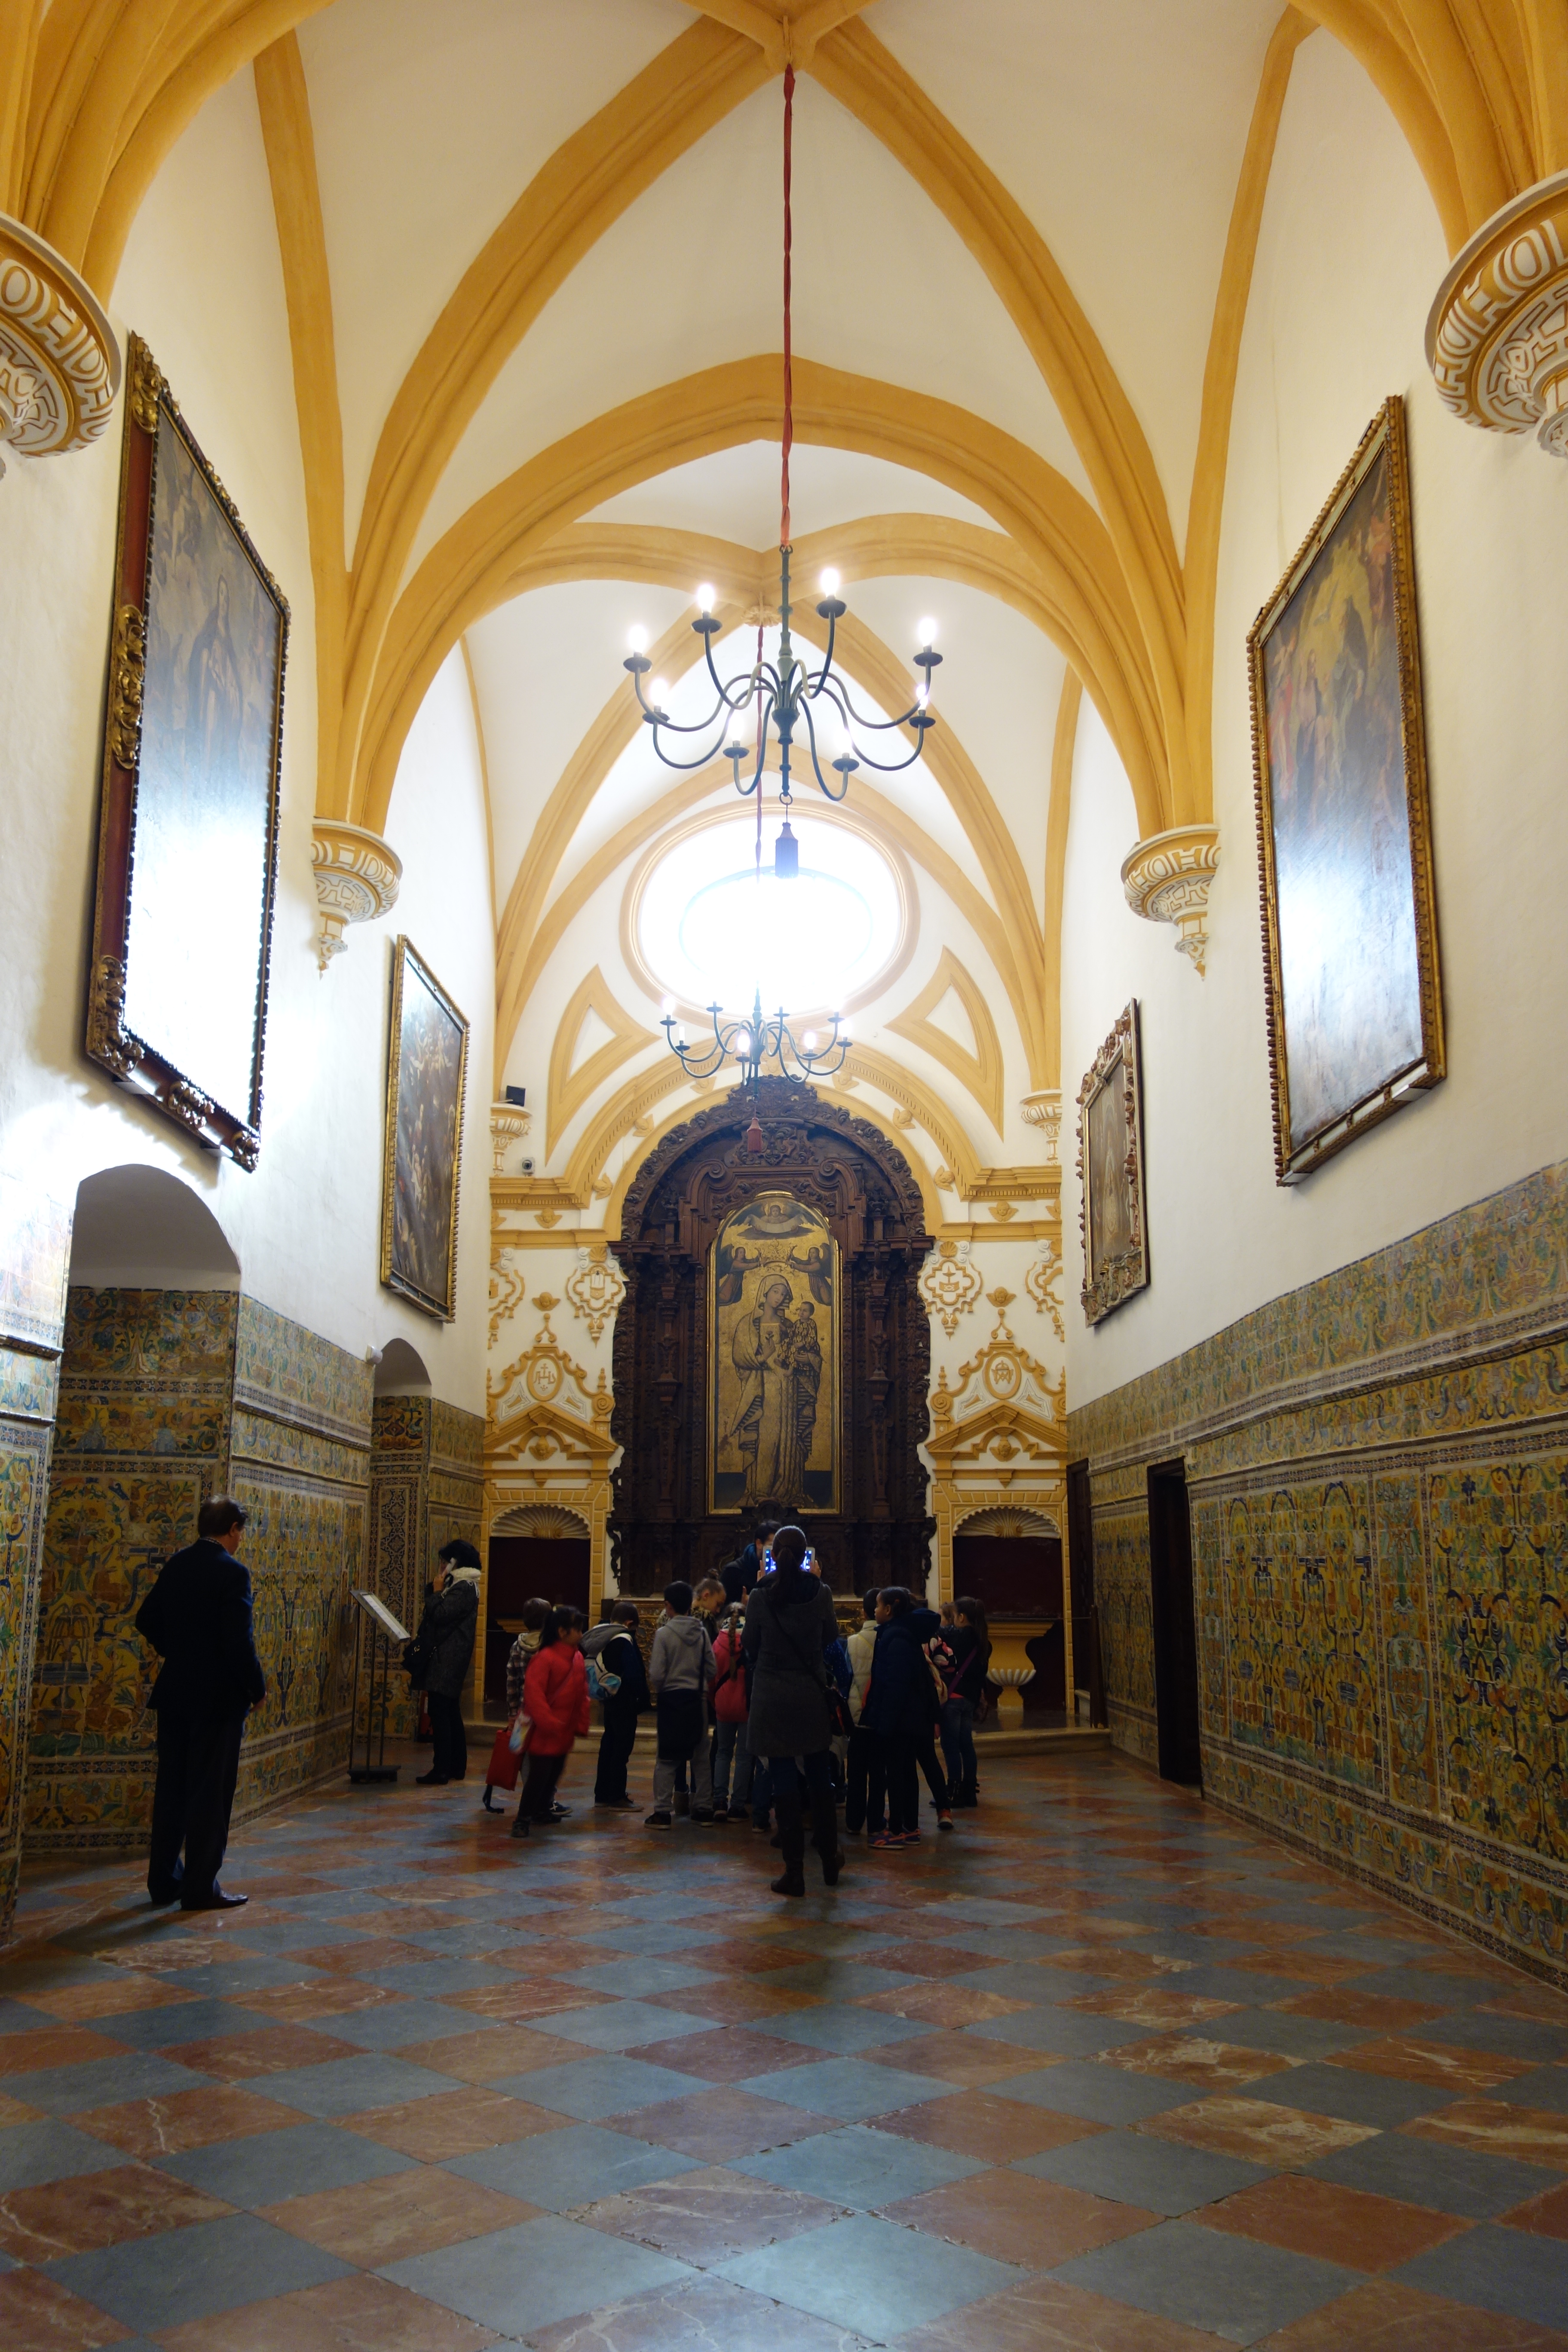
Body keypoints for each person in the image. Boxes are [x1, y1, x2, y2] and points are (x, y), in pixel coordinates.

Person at [135, 1495, 266, 1912]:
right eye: (241, 1532)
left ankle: (164, 1883)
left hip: (175, 1693)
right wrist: (256, 1688)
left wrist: (179, 1652)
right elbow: (238, 1641)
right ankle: (200, 1888)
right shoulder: (233, 1573)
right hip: (217, 1699)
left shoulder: (178, 1563)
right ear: (232, 1530)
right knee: (210, 1794)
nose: (241, 1539)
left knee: (172, 1789)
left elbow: (146, 1618)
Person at [743, 1523, 842, 1896]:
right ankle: (830, 1859)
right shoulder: (821, 1592)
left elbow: (750, 1644)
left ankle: (795, 1873)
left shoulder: (761, 1595)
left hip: (772, 1694)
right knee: (819, 1777)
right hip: (811, 1693)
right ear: (806, 1556)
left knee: (783, 1779)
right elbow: (831, 1637)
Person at [863, 1585, 952, 1848]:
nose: (876, 1610)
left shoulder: (897, 1638)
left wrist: (886, 1723)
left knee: (899, 1774)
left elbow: (896, 1684)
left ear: (889, 1610)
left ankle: (899, 1828)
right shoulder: (899, 1633)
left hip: (903, 1719)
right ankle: (910, 1827)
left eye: (879, 1606)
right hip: (912, 1717)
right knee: (905, 1772)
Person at [513, 1607, 589, 1838]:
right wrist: (551, 1724)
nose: (581, 1634)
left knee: (554, 1774)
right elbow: (534, 1697)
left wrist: (580, 1723)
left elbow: (582, 1693)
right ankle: (522, 1820)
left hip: (563, 1731)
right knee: (538, 1777)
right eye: (577, 1629)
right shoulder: (545, 1659)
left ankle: (542, 1810)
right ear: (562, 1632)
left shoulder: (576, 1656)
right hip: (545, 1734)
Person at [646, 1582, 715, 1828]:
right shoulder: (702, 1632)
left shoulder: (664, 1634)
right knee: (701, 1758)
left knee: (666, 1758)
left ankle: (663, 1812)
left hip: (672, 1701)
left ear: (668, 1606)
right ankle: (704, 1809)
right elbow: (712, 1668)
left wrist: (668, 1686)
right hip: (698, 1701)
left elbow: (656, 1673)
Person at [413, 1540, 481, 1785]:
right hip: (449, 1656)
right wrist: (437, 1588)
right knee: (449, 1711)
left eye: (445, 1561)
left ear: (456, 1563)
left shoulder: (464, 1587)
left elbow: (441, 1615)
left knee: (441, 1712)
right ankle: (456, 1766)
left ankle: (442, 1768)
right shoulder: (460, 1585)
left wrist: (436, 1590)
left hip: (448, 1658)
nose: (441, 1565)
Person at [486, 1595, 552, 1813]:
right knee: (547, 1755)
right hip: (547, 1710)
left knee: (525, 1754)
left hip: (524, 1710)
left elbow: (512, 1680)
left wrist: (512, 1712)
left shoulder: (517, 1645)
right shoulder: (551, 1646)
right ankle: (545, 1800)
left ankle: (531, 1793)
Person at [589, 1602, 649, 1808]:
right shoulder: (624, 1640)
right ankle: (616, 1795)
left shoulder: (604, 1636)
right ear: (630, 1623)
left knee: (608, 1745)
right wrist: (643, 1700)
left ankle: (602, 1794)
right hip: (625, 1702)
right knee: (621, 1749)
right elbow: (634, 1673)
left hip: (609, 1699)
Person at [941, 1596, 992, 1809]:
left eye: (954, 1617)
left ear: (961, 1617)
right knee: (966, 1746)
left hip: (953, 1699)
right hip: (970, 1701)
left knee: (950, 1746)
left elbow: (938, 1631)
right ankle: (970, 1791)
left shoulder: (959, 1636)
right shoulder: (985, 1642)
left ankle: (952, 1792)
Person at [845, 1588, 884, 1838]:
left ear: (863, 1612)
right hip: (880, 1716)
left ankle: (853, 1821)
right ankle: (875, 1821)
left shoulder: (850, 1642)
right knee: (879, 1773)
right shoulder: (888, 1640)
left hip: (856, 1716)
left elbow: (845, 1679)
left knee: (856, 1772)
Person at [710, 1599, 752, 1822]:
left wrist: (713, 1699)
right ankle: (737, 1806)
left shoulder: (718, 1643)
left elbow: (711, 1675)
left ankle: (719, 1802)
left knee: (723, 1753)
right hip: (747, 1704)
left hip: (724, 1703)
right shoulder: (752, 1641)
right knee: (744, 1757)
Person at [722, 1520, 777, 1606]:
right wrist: (742, 1607)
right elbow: (723, 1612)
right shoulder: (733, 1572)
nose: (777, 1552)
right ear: (759, 1544)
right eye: (773, 1546)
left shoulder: (781, 1571)